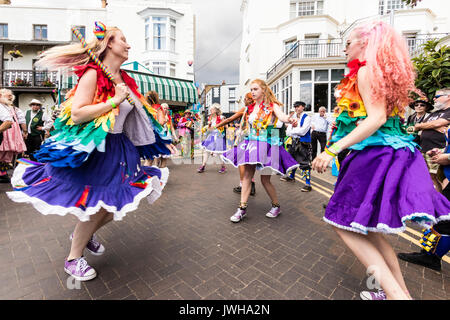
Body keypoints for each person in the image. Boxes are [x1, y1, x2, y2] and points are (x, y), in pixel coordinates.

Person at [6, 22, 169, 282]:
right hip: (97, 150)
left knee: (112, 207)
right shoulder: (93, 74)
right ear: (109, 44)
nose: (128, 45)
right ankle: (73, 259)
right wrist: (114, 100)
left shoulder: (126, 79)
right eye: (123, 39)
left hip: (120, 150)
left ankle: (84, 235)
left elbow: (130, 118)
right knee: (95, 208)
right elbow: (79, 113)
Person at [312, 21, 450, 300]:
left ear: (364, 44)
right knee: (373, 232)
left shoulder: (365, 71)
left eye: (348, 43)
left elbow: (375, 119)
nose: (344, 48)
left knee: (341, 223)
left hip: (374, 156)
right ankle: (397, 293)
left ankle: (398, 296)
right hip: (388, 154)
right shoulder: (379, 74)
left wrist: (331, 150)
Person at [221, 79, 299, 223]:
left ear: (263, 89)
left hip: (267, 146)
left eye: (255, 89)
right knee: (246, 176)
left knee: (265, 180)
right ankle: (242, 208)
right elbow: (251, 125)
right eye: (251, 89)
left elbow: (281, 116)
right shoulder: (251, 108)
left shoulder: (272, 106)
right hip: (252, 144)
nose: (252, 92)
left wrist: (290, 119)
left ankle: (276, 205)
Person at [397, 88, 450, 272]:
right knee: (443, 216)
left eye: (437, 96)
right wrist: (443, 152)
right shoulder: (436, 115)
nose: (434, 99)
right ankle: (429, 255)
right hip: (444, 166)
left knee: (445, 218)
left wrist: (447, 157)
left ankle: (431, 257)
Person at [215, 92, 256, 195]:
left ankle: (243, 185)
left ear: (249, 100)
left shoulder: (247, 109)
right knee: (249, 163)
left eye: (245, 99)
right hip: (256, 138)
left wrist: (216, 126)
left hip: (245, 137)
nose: (244, 101)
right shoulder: (258, 108)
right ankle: (251, 185)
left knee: (241, 162)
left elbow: (230, 119)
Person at [411, 92, 450, 192]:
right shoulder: (435, 113)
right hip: (426, 149)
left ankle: (444, 203)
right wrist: (431, 126)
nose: (434, 99)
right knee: (431, 177)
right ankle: (438, 202)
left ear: (448, 97)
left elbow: (438, 123)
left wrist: (423, 126)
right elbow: (424, 124)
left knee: (442, 177)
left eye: (437, 97)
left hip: (440, 149)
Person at [280, 101, 313, 192]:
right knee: (292, 160)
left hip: (303, 143)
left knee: (304, 163)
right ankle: (291, 176)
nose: (296, 108)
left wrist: (293, 130)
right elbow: (288, 132)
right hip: (293, 142)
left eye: (298, 106)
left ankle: (308, 183)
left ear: (303, 107)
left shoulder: (307, 118)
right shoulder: (294, 118)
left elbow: (303, 131)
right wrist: (293, 130)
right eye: (295, 107)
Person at [140, 91, 175, 167]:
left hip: (146, 135)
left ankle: (146, 177)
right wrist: (165, 120)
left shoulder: (144, 108)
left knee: (149, 159)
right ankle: (161, 177)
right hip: (158, 136)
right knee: (163, 158)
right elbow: (161, 122)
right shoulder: (158, 108)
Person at [0, 89, 27, 183]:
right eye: (8, 96)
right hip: (6, 132)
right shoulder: (3, 107)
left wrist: (25, 131)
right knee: (2, 152)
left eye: (11, 95)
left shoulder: (14, 109)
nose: (10, 97)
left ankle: (3, 173)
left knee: (6, 154)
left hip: (9, 132)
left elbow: (21, 121)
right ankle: (2, 173)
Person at [198, 103, 227, 173]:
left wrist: (221, 128)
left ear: (216, 110)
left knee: (220, 153)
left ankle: (223, 166)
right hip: (211, 135)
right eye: (210, 109)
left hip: (219, 136)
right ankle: (203, 165)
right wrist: (204, 128)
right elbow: (210, 128)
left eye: (212, 109)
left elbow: (226, 126)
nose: (210, 110)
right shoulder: (210, 118)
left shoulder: (221, 117)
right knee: (206, 151)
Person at [155, 103, 178, 168]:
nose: (166, 110)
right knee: (157, 157)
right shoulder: (158, 116)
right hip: (159, 139)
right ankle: (156, 170)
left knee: (164, 157)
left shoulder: (169, 118)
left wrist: (175, 136)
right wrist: (165, 121)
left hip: (166, 138)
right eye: (164, 108)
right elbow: (159, 125)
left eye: (167, 108)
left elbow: (172, 128)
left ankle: (162, 172)